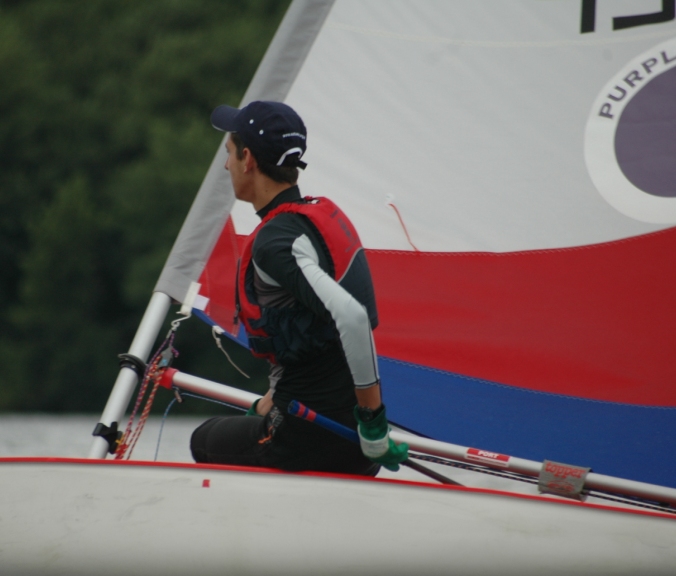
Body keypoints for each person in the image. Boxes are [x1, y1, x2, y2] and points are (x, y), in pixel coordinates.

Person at [190, 100, 408, 475]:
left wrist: (373, 422)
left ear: (249, 160)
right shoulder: (313, 222)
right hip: (347, 440)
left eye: (228, 153)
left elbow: (353, 319)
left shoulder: (276, 243)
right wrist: (270, 401)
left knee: (203, 440)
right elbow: (319, 344)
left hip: (309, 440)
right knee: (251, 423)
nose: (226, 166)